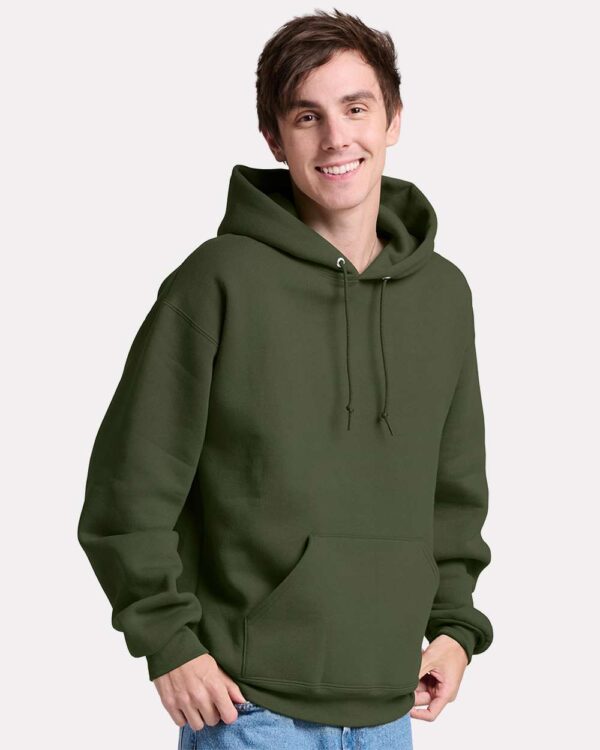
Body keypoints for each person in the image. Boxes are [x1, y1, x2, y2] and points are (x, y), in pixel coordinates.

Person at [77, 9, 493, 749]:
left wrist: (455, 629)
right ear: (274, 138)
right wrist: (167, 642)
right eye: (307, 116)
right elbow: (127, 490)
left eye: (356, 109)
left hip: (390, 708)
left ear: (393, 119)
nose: (336, 138)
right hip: (250, 712)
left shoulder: (442, 296)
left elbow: (454, 492)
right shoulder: (216, 282)